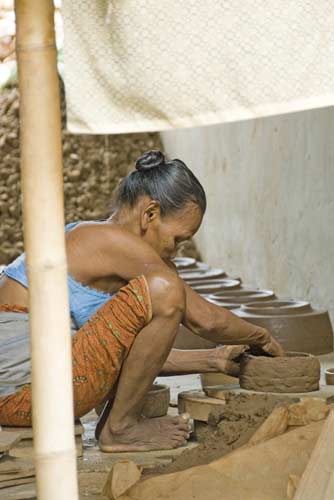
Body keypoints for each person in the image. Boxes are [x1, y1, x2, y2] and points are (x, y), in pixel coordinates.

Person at [0, 150, 283, 452]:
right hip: (21, 393)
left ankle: (119, 425)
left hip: (22, 392)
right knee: (166, 289)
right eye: (177, 239)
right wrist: (261, 336)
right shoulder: (111, 240)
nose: (175, 251)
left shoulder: (96, 239)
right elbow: (206, 320)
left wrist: (212, 360)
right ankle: (121, 428)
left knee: (165, 285)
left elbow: (129, 357)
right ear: (150, 213)